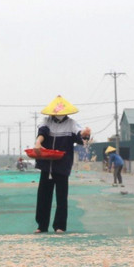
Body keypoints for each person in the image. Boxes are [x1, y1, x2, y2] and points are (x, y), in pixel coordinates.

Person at [33, 95, 92, 233]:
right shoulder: (46, 121)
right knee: (43, 196)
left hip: (62, 165)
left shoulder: (71, 123)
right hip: (47, 165)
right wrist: (38, 142)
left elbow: (80, 136)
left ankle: (59, 226)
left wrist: (85, 133)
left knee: (61, 197)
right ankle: (41, 226)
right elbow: (42, 133)